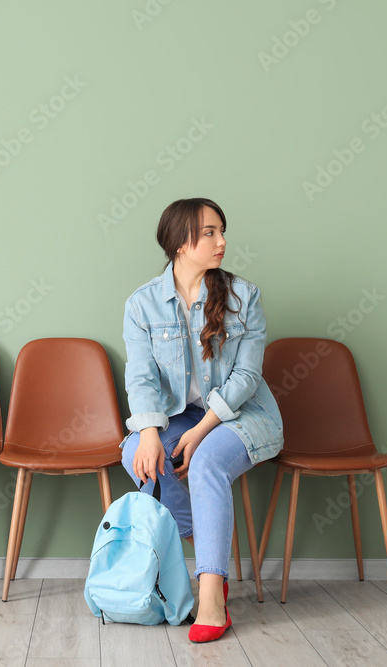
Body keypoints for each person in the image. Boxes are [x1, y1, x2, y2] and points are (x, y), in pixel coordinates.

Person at [119, 197, 283, 643]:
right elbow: (141, 378)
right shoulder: (142, 304)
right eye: (209, 232)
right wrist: (150, 432)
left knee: (206, 459)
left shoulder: (243, 297)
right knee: (136, 451)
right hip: (173, 416)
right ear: (179, 242)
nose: (222, 241)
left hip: (240, 415)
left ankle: (210, 593)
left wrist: (200, 429)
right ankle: (204, 543)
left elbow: (247, 377)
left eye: (221, 230)